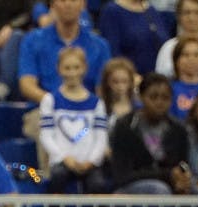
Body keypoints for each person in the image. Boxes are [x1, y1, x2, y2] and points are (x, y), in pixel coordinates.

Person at [38, 45, 109, 195]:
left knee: (98, 185)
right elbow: (46, 136)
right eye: (67, 68)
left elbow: (101, 138)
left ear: (84, 68)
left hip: (89, 162)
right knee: (57, 178)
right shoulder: (50, 100)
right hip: (62, 162)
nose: (72, 73)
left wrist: (91, 161)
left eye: (76, 67)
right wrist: (64, 158)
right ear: (59, 69)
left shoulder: (97, 103)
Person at [18, 0, 112, 108]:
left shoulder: (100, 46)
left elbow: (103, 89)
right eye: (62, 0)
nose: (68, 4)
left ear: (83, 4)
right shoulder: (32, 40)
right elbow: (27, 85)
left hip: (87, 112)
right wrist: (57, 103)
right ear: (53, 5)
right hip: (43, 111)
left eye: (73, 0)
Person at [99, 0, 170, 76]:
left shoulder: (151, 10)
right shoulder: (112, 11)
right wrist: (132, 77)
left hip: (156, 79)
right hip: (129, 80)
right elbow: (113, 52)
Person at [98, 57, 139, 127]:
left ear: (131, 82)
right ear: (107, 83)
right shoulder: (99, 107)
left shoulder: (139, 109)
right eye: (115, 82)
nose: (120, 86)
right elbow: (86, 130)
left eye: (124, 81)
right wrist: (77, 137)